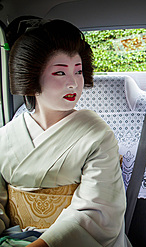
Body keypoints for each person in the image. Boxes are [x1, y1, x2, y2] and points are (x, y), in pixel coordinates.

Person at [0, 18, 130, 247]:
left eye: (78, 72)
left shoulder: (98, 135)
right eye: (60, 73)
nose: (73, 83)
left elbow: (97, 211)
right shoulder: (6, 136)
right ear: (32, 77)